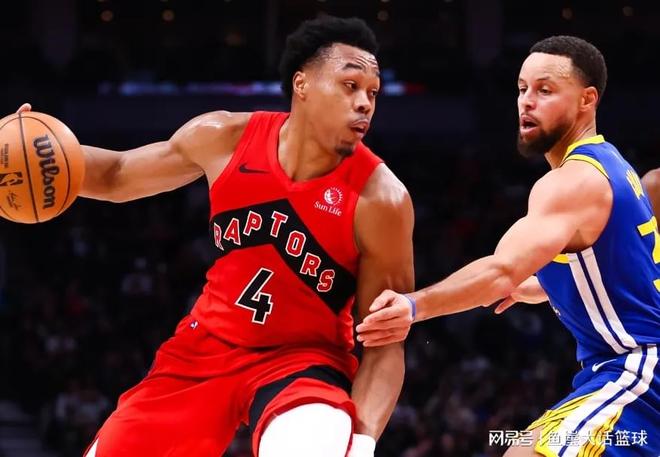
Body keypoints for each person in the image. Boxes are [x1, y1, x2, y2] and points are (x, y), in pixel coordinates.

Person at [17, 15, 415, 457]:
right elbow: (116, 174)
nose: (364, 103)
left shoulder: (382, 199)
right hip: (206, 347)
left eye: (373, 93)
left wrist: (362, 442)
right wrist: (33, 155)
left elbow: (386, 342)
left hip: (304, 363)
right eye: (350, 85)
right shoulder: (223, 137)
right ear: (301, 84)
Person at [357, 36, 659, 456]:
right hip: (625, 369)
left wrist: (413, 306)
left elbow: (501, 271)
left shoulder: (573, 181)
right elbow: (625, 266)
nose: (527, 102)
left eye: (545, 90)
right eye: (522, 89)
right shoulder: (612, 164)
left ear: (587, 100)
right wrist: (544, 286)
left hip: (638, 369)